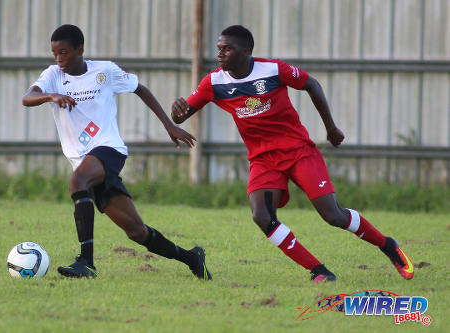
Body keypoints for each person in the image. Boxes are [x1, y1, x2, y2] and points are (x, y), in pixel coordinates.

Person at [171, 25, 413, 283]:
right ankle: (319, 271)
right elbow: (183, 115)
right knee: (261, 216)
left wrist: (331, 128)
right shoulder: (214, 82)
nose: (220, 54)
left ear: (246, 51)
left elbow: (312, 84)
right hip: (263, 160)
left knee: (333, 216)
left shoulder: (274, 70)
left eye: (227, 49)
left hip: (298, 152)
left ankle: (387, 245)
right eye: (219, 48)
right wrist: (176, 112)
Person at [22, 24, 211, 280]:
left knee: (77, 182)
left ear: (80, 49)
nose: (58, 59)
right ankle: (192, 258)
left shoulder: (105, 70)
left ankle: (86, 263)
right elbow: (27, 97)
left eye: (63, 52)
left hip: (108, 148)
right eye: (54, 53)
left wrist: (169, 125)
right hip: (84, 161)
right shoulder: (53, 75)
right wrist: (50, 96)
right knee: (136, 232)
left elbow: (140, 89)